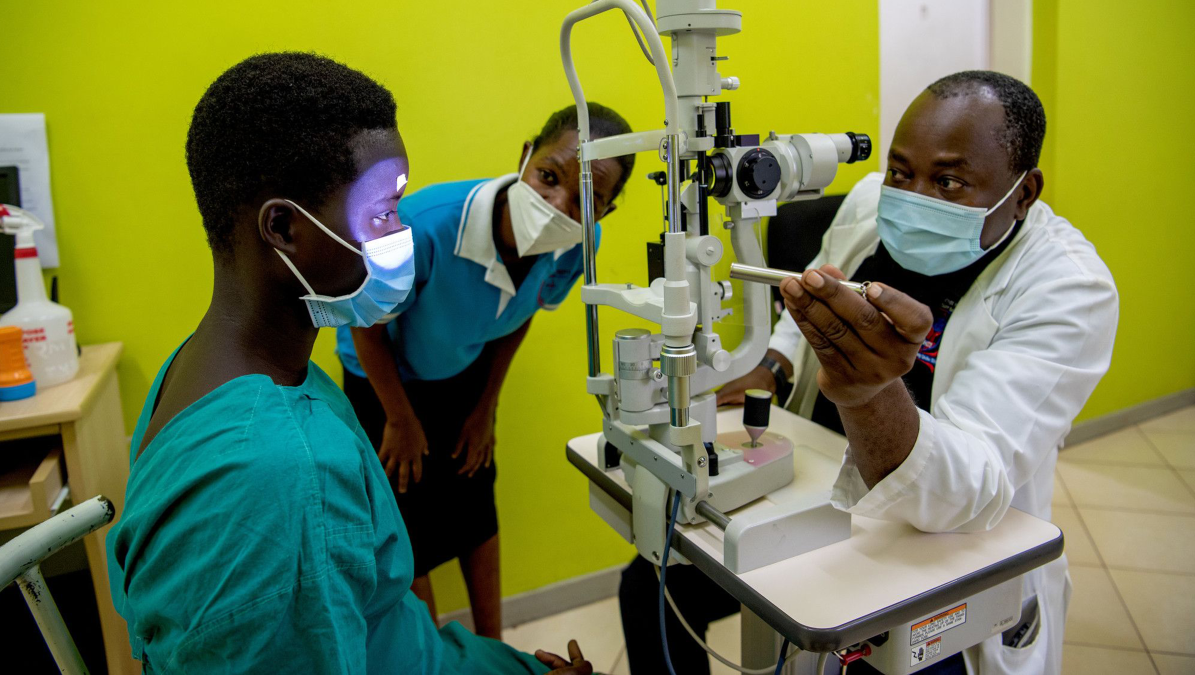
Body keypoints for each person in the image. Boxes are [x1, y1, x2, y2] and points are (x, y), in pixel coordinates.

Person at [106, 52, 592, 674]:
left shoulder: (203, 368)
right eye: (384, 212)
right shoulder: (281, 479)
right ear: (283, 227)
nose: (401, 236)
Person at [621, 71, 1118, 675]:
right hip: (818, 478)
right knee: (649, 587)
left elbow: (963, 488)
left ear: (1024, 191)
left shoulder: (1068, 288)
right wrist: (773, 367)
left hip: (941, 553)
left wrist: (870, 392)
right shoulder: (868, 204)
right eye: (901, 171)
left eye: (950, 180)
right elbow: (807, 294)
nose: (913, 197)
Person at [335, 104, 634, 636]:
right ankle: (438, 662)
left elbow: (524, 311)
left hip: (464, 371)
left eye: (587, 199)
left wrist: (485, 408)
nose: (557, 203)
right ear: (524, 158)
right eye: (548, 175)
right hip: (384, 379)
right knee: (410, 525)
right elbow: (367, 328)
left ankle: (491, 646)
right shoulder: (428, 227)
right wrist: (400, 420)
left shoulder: (578, 245)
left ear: (604, 212)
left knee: (475, 501)